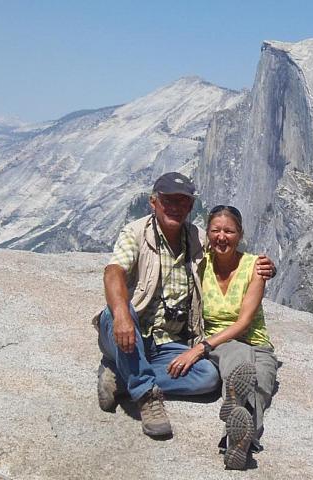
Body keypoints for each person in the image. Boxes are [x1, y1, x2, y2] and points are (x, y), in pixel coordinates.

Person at [94, 172, 276, 439]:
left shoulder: (196, 238)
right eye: (168, 200)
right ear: (153, 202)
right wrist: (121, 315)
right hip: (128, 332)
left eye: (182, 202)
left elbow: (226, 247)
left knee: (207, 377)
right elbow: (113, 271)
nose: (175, 208)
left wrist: (267, 266)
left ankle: (123, 376)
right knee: (118, 310)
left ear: (190, 207)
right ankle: (146, 396)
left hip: (168, 342)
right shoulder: (134, 233)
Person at [166, 205, 278, 470]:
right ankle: (240, 431)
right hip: (219, 343)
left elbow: (244, 323)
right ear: (207, 235)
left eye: (229, 231)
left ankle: (237, 440)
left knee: (261, 384)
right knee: (237, 358)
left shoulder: (255, 267)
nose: (221, 236)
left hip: (257, 343)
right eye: (215, 230)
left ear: (240, 235)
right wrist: (200, 346)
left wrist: (199, 349)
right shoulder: (199, 263)